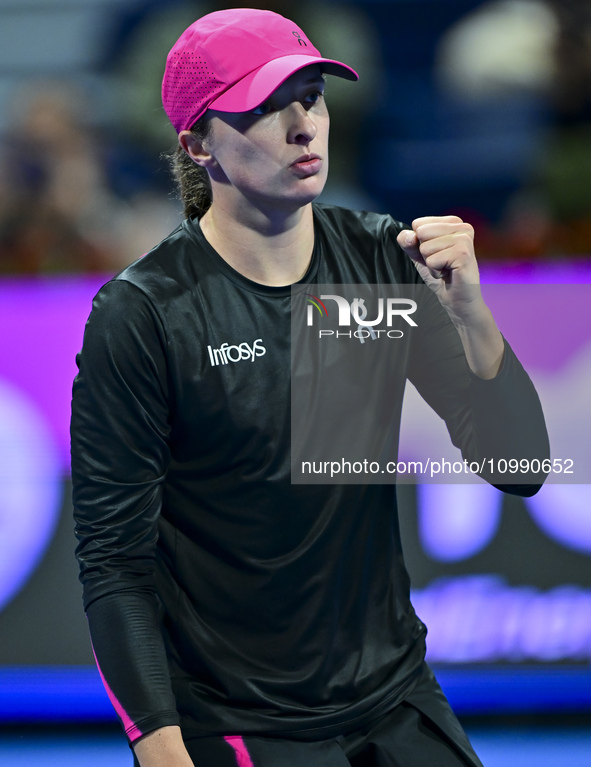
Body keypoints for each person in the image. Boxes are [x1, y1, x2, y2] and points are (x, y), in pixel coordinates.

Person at [71, 8, 549, 767]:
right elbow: (113, 565)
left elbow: (518, 467)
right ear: (199, 145)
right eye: (266, 107)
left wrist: (470, 314)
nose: (303, 126)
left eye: (312, 97)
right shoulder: (145, 313)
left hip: (393, 697)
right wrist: (160, 751)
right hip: (236, 722)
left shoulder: (376, 260)